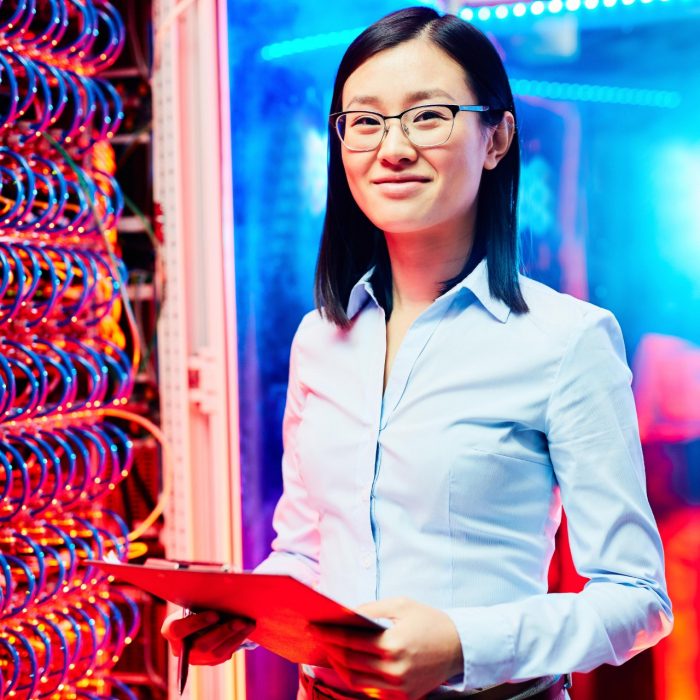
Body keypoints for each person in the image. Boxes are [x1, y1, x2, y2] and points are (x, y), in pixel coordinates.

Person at [162, 7, 673, 699]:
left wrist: (463, 646)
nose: (392, 147)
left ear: (496, 139)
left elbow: (638, 600)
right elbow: (306, 551)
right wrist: (245, 613)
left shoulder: (567, 340)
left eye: (427, 115)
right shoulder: (320, 337)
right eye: (365, 121)